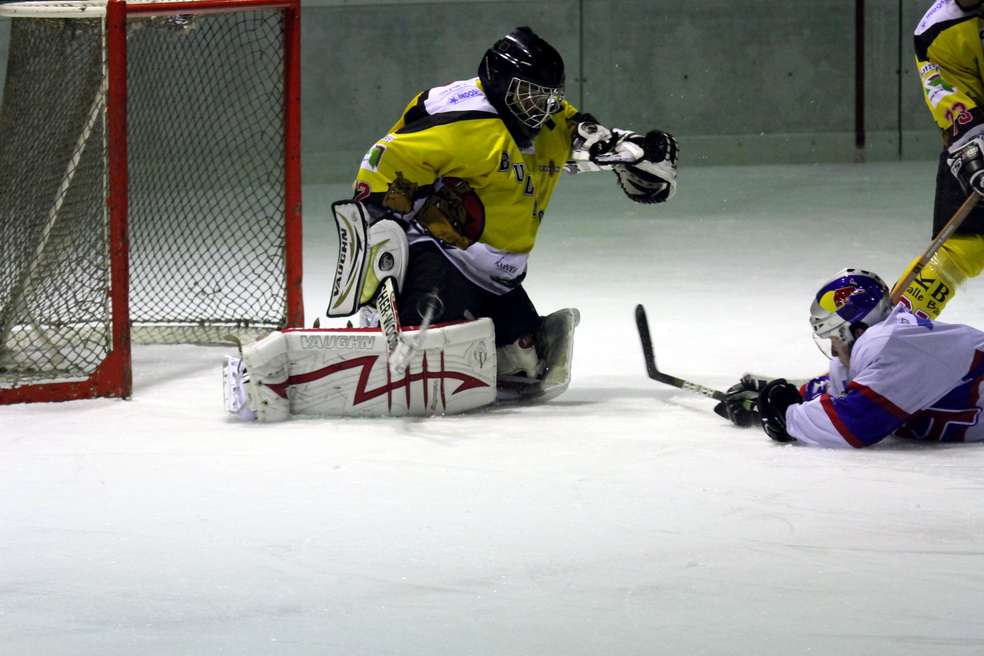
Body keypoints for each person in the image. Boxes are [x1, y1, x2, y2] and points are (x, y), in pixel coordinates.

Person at [329, 26, 678, 392]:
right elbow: (383, 163)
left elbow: (587, 136)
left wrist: (637, 154)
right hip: (439, 254)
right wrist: (382, 233)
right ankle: (385, 324)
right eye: (528, 95)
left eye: (549, 98)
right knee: (433, 345)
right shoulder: (461, 125)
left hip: (497, 271)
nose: (540, 108)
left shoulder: (548, 117)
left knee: (525, 364)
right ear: (497, 81)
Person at [715, 268, 984, 447]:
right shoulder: (883, 342)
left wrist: (784, 416)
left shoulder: (890, 343)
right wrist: (791, 396)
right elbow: (845, 390)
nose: (833, 352)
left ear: (856, 330)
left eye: (834, 339)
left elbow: (855, 424)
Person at [900, 0, 984, 319]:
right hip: (980, 131)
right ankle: (894, 336)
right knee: (960, 247)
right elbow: (951, 101)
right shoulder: (937, 29)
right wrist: (972, 153)